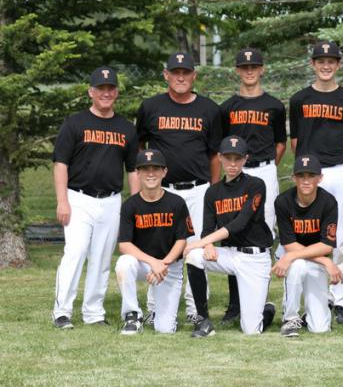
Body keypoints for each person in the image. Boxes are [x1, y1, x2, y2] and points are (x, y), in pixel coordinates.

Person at [136, 51, 223, 323]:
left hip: (198, 189)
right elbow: (140, 148)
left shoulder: (209, 109)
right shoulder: (151, 107)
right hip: (163, 190)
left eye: (186, 72)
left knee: (196, 249)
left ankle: (196, 309)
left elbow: (214, 154)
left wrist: (213, 189)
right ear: (166, 75)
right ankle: (155, 308)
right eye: (176, 72)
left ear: (194, 76)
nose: (181, 77)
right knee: (159, 247)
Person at [52, 67, 139, 329]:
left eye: (110, 88)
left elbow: (133, 169)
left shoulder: (126, 128)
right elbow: (60, 164)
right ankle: (61, 312)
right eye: (101, 88)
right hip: (78, 198)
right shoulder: (75, 123)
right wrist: (62, 201)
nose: (106, 93)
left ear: (116, 92)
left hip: (111, 200)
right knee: (75, 253)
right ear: (91, 92)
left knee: (101, 259)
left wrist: (134, 204)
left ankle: (93, 312)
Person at [289, 41, 343, 324]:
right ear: (313, 64)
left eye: (331, 60)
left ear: (338, 64)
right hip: (310, 173)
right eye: (320, 60)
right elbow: (295, 141)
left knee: (342, 235)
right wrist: (308, 171)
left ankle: (341, 300)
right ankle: (315, 296)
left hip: (339, 170)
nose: (326, 65)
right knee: (310, 234)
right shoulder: (299, 99)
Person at [219, 47, 287, 325]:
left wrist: (266, 167)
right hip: (236, 172)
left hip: (264, 170)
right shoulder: (227, 108)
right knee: (233, 232)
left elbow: (281, 143)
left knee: (263, 231)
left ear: (262, 69)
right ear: (237, 70)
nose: (249, 71)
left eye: (254, 66)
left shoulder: (274, 105)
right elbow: (220, 147)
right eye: (244, 67)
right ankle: (235, 303)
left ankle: (259, 296)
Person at [183, 136, 274, 338]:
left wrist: (201, 242)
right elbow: (208, 228)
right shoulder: (213, 192)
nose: (232, 164)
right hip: (230, 255)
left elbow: (240, 224)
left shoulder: (256, 185)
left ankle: (267, 310)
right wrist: (206, 245)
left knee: (251, 329)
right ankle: (203, 320)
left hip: (255, 258)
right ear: (220, 158)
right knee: (195, 256)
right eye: (228, 158)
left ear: (245, 159)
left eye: (238, 159)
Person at [115, 149, 192, 334]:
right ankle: (132, 316)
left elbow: (182, 240)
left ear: (164, 172)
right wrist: (153, 262)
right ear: (138, 173)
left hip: (169, 266)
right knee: (124, 263)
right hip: (144, 264)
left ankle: (157, 313)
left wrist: (163, 264)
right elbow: (124, 244)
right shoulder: (130, 205)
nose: (151, 173)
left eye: (156, 168)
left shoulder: (176, 202)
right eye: (145, 168)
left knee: (165, 329)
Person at [273, 155, 343, 337]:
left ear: (320, 178)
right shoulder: (282, 201)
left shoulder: (328, 202)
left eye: (311, 176)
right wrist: (326, 262)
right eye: (301, 176)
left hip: (314, 257)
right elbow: (289, 245)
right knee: (297, 265)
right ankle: (290, 319)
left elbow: (327, 245)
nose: (305, 181)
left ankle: (312, 310)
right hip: (293, 255)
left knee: (320, 328)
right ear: (293, 178)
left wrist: (323, 261)